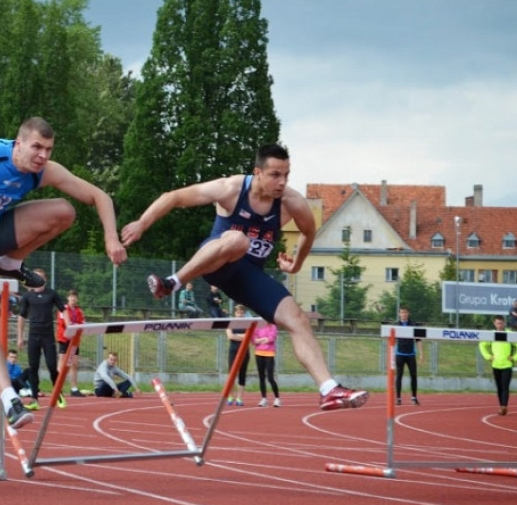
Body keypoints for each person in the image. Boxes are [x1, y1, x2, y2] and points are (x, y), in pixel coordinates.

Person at [121, 143, 367, 411]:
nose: (282, 182)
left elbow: (309, 232)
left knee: (297, 318)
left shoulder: (292, 202)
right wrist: (142, 223)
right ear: (257, 172)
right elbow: (174, 197)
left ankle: (328, 389)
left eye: (286, 175)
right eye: (275, 175)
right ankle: (172, 283)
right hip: (217, 260)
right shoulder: (231, 189)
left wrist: (295, 265)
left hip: (248, 276)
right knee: (238, 241)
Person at [0, 116, 127, 429]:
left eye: (48, 149)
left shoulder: (44, 170)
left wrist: (111, 238)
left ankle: (10, 264)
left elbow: (100, 196)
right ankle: (9, 399)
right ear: (18, 145)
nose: (43, 155)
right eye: (36, 147)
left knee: (64, 211)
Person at [16, 267, 64, 410]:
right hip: (33, 336)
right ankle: (34, 399)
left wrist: (70, 328)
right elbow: (22, 316)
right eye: (35, 277)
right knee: (33, 367)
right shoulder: (27, 296)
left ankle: (58, 394)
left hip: (48, 336)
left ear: (45, 279)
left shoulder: (51, 294)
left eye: (40, 277)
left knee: (51, 366)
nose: (37, 279)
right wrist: (20, 337)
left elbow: (63, 309)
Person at [479, 315, 517, 415]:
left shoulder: (510, 334)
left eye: (501, 323)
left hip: (507, 365)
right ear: (494, 324)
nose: (499, 325)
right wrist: (488, 356)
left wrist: (514, 357)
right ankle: (501, 406)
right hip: (495, 365)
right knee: (499, 387)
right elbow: (482, 345)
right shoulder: (492, 335)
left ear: (504, 323)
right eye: (497, 323)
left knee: (505, 387)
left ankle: (504, 407)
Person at [56, 289, 86, 402]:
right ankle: (59, 387)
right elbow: (64, 324)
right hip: (65, 339)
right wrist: (73, 327)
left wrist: (77, 327)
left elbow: (82, 323)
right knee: (62, 363)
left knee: (74, 364)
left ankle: (74, 388)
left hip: (75, 340)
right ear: (68, 298)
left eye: (75, 297)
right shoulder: (63, 309)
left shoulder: (79, 311)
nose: (73, 299)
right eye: (71, 296)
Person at [394, 306, 422, 406]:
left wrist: (421, 354)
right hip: (400, 354)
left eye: (405, 312)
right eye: (402, 312)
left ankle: (414, 398)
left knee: (413, 376)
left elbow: (418, 339)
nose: (404, 314)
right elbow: (391, 340)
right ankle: (398, 398)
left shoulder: (413, 325)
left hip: (411, 354)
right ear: (399, 314)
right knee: (399, 376)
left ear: (408, 313)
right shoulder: (396, 325)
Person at [226, 304, 250, 406]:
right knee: (231, 374)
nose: (240, 315)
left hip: (244, 351)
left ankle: (239, 398)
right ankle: (231, 396)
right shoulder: (230, 323)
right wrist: (242, 337)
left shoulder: (247, 324)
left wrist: (238, 336)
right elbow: (230, 336)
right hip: (233, 351)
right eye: (238, 313)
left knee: (242, 374)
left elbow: (248, 336)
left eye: (242, 313)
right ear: (235, 313)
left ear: (244, 314)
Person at [253, 320, 280, 407]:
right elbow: (254, 340)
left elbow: (272, 338)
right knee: (261, 377)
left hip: (269, 353)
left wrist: (263, 340)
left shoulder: (273, 326)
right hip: (258, 353)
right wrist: (264, 339)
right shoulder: (257, 326)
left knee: (270, 377)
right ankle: (264, 398)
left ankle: (277, 398)